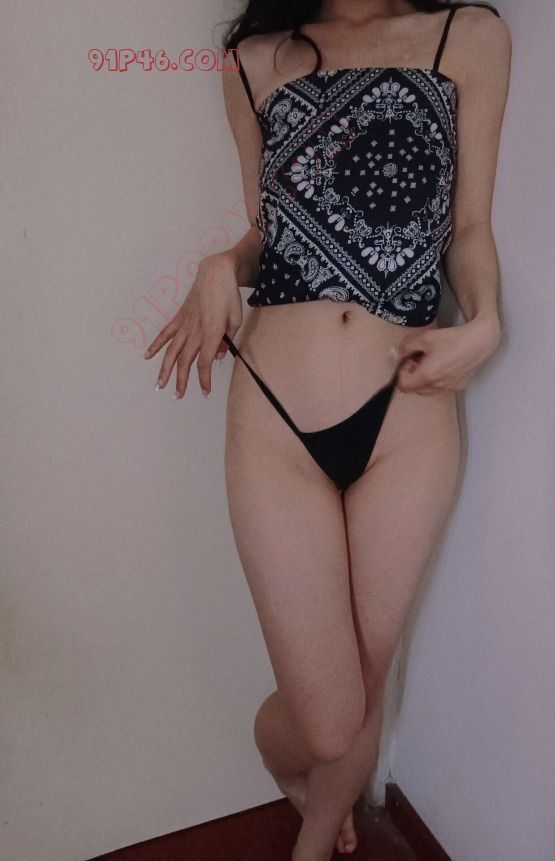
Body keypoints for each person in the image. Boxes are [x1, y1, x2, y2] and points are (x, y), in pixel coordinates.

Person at [144, 1, 511, 858]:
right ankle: (291, 766)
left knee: (366, 679)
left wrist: (487, 321)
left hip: (408, 412)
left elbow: (469, 226)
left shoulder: (467, 36)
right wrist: (218, 265)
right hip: (276, 407)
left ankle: (311, 842)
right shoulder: (253, 59)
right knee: (328, 716)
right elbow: (267, 229)